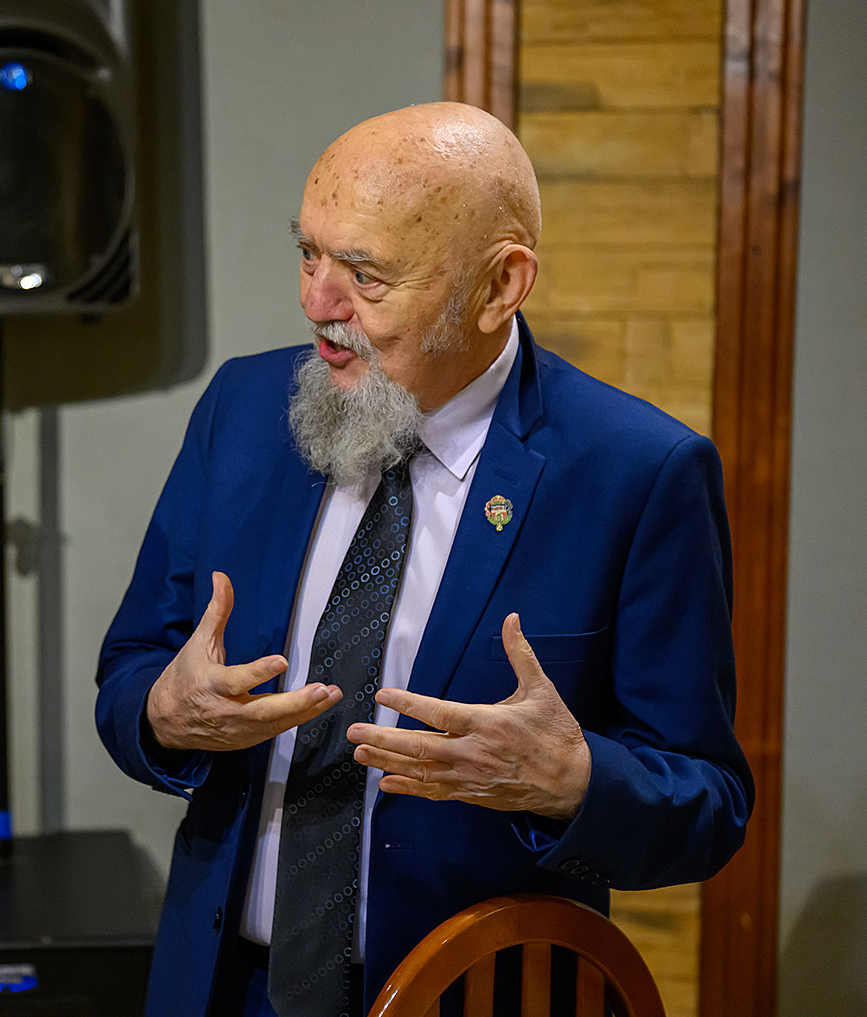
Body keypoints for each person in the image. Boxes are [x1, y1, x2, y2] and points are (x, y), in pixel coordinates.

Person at [95, 103, 753, 1017]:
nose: (318, 302)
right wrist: (164, 714)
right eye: (309, 254)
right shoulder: (242, 408)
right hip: (226, 989)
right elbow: (131, 671)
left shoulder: (637, 472)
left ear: (499, 285)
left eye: (365, 274)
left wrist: (570, 782)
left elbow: (708, 803)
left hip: (475, 995)